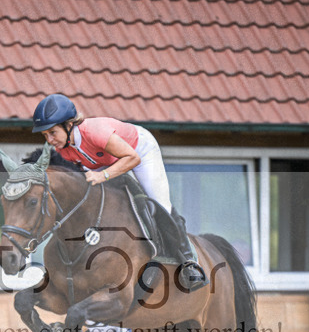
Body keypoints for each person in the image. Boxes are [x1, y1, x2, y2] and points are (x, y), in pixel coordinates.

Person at [30, 93, 206, 291]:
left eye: (52, 132)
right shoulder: (64, 149)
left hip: (139, 151)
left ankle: (189, 262)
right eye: (45, 135)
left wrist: (103, 176)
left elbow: (132, 158)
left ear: (69, 125)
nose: (49, 139)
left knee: (159, 203)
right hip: (105, 162)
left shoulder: (95, 131)